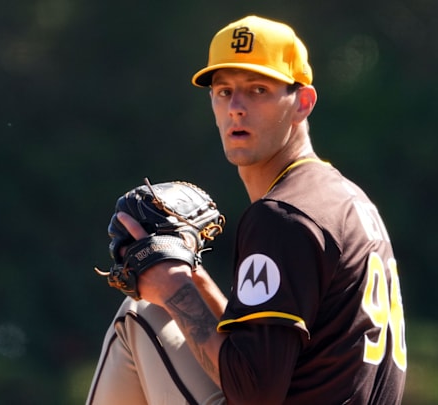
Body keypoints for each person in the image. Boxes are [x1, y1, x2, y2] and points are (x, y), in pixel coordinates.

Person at [86, 15, 407, 405]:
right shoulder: (340, 199)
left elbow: (255, 394)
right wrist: (195, 279)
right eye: (224, 91)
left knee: (139, 314)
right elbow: (260, 353)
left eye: (258, 90)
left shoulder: (283, 216)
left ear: (302, 102)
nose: (236, 107)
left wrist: (172, 286)